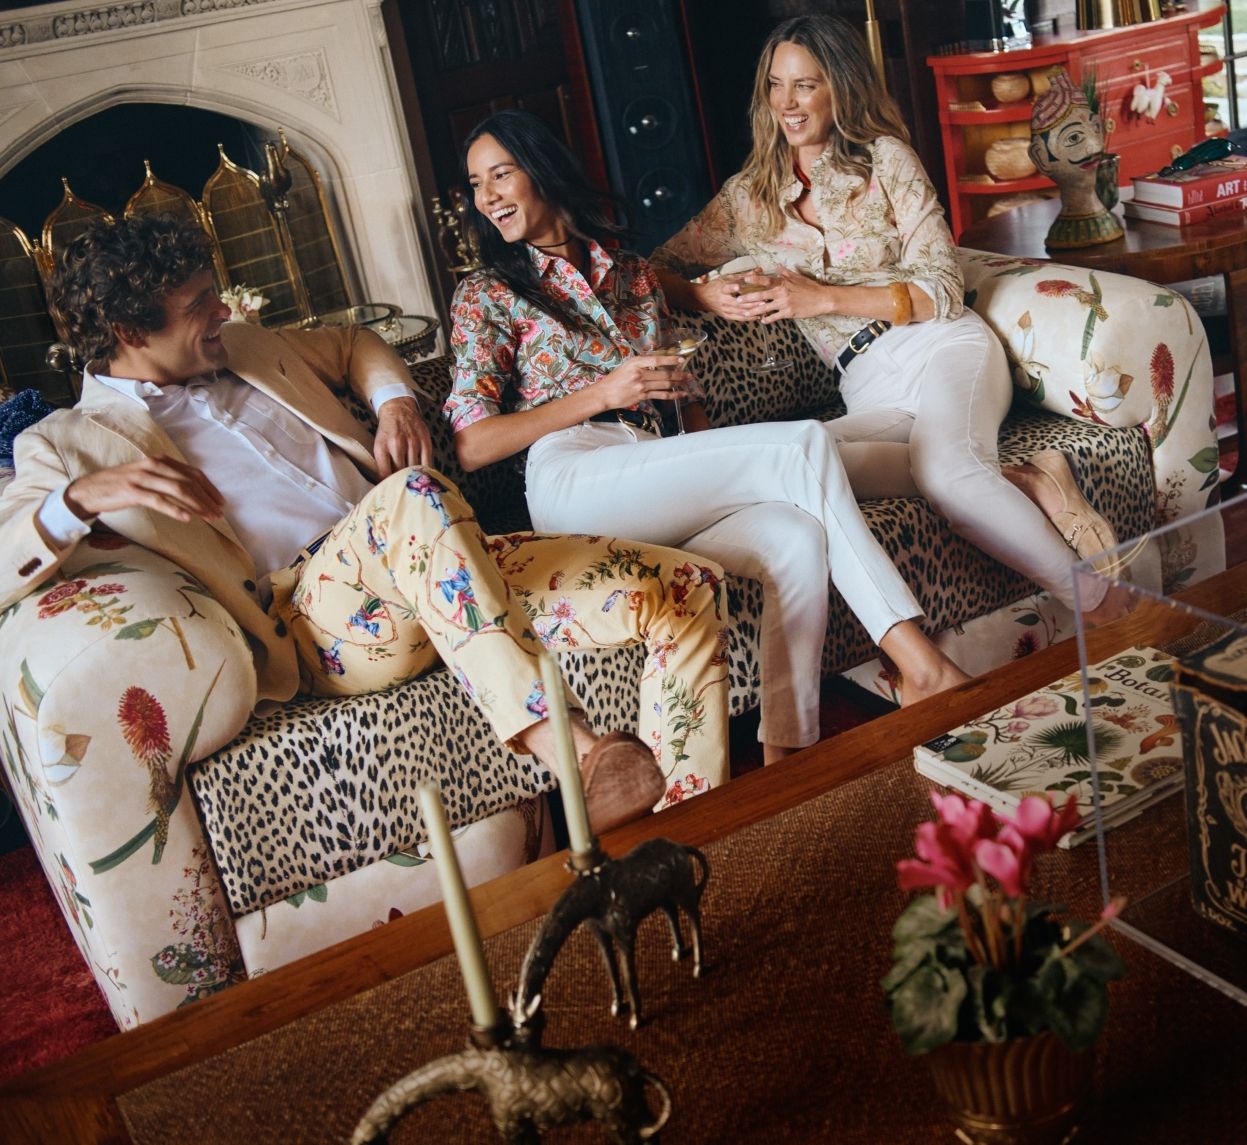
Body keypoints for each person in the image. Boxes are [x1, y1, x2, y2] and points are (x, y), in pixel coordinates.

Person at [0, 214, 735, 831]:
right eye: (199, 305)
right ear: (132, 329)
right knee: (411, 494)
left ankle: (690, 832)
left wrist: (395, 402)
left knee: (686, 586)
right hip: (318, 622)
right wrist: (78, 500)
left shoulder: (248, 345)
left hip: (437, 560)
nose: (222, 309)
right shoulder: (68, 443)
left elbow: (355, 344)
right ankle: (571, 752)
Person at [445, 108, 970, 765]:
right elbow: (471, 443)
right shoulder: (486, 294)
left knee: (792, 533)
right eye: (475, 184)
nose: (487, 196)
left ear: (543, 172)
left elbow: (683, 395)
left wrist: (714, 446)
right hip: (572, 478)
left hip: (655, 466)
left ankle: (786, 755)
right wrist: (602, 394)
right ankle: (916, 662)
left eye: (501, 174)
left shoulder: (632, 275)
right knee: (802, 444)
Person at [650, 14, 1122, 624]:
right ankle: (1028, 480)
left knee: (949, 477)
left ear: (839, 87)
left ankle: (1107, 609)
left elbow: (942, 288)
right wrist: (703, 296)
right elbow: (649, 270)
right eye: (774, 85)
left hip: (941, 346)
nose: (787, 104)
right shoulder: (748, 199)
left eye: (805, 85)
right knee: (788, 461)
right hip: (867, 386)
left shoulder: (886, 161)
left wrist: (819, 299)